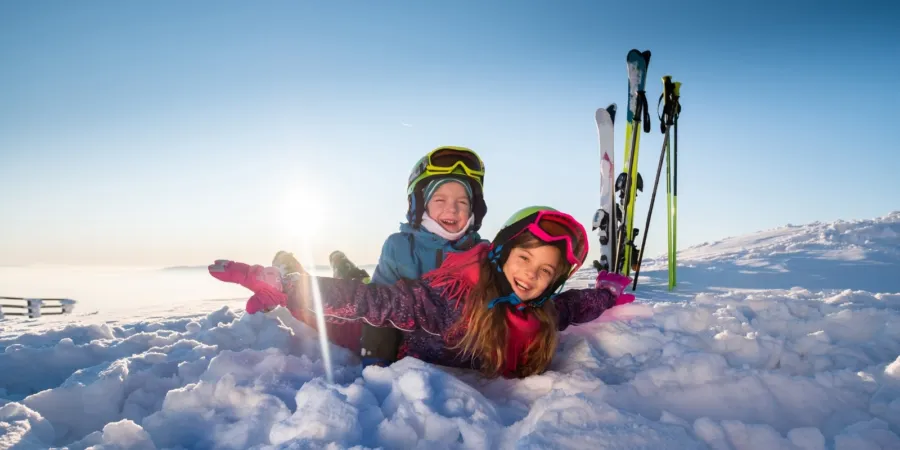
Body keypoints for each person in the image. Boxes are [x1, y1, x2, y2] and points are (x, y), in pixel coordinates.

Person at [214, 206, 636, 378]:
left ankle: (343, 264)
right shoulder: (453, 298)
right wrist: (287, 287)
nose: (531, 276)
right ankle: (291, 264)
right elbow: (375, 303)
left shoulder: (541, 313)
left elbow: (574, 306)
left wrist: (608, 293)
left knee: (359, 280)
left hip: (391, 305)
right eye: (525, 259)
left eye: (546, 271)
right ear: (504, 253)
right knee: (331, 310)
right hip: (379, 333)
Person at [359, 145, 489, 367]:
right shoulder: (399, 246)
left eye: (462, 202)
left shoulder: (482, 253)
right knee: (338, 317)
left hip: (445, 348)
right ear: (420, 205)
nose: (452, 209)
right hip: (403, 343)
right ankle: (326, 263)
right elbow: (377, 306)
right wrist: (376, 362)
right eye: (440, 200)